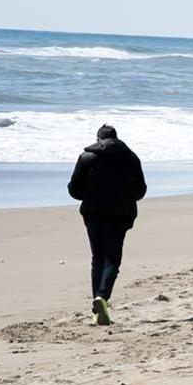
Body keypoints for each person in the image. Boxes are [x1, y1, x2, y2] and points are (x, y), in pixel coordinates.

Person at [67, 124, 147, 326]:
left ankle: (97, 306)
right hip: (121, 214)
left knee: (97, 259)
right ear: (117, 138)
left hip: (93, 213)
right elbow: (141, 190)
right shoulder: (131, 158)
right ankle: (101, 299)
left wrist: (91, 195)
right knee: (112, 260)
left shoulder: (87, 157)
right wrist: (125, 198)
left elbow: (74, 189)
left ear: (98, 139)